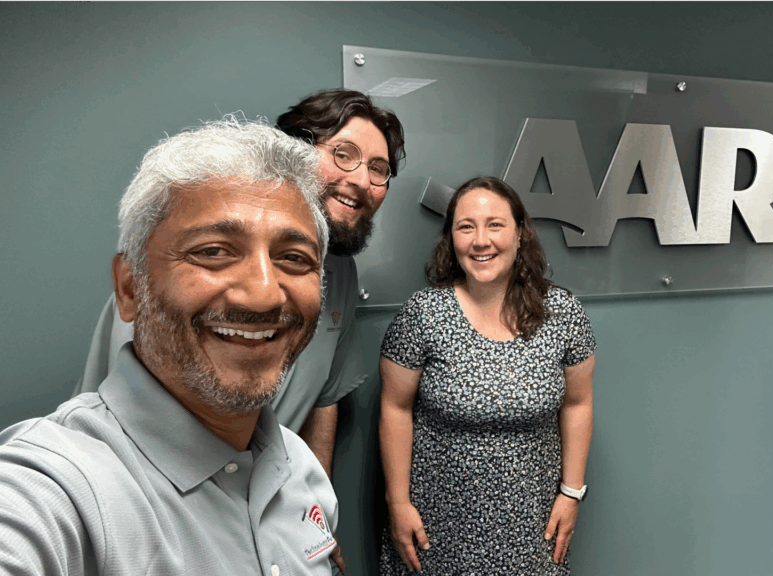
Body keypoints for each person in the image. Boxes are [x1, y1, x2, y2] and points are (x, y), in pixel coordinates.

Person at [0, 118, 346, 574]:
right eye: (213, 251)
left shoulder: (302, 474)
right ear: (129, 289)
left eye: (293, 259)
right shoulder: (53, 489)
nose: (264, 294)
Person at [73, 89, 406, 477]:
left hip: (268, 501)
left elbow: (324, 399)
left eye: (379, 168)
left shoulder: (343, 274)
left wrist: (316, 516)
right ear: (291, 154)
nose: (362, 180)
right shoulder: (172, 255)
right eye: (343, 154)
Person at [378, 176, 597, 575]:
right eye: (466, 226)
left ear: (519, 234)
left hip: (532, 527)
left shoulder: (562, 313)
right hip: (434, 527)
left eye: (495, 224)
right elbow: (394, 408)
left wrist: (572, 493)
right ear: (452, 239)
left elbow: (578, 402)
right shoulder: (422, 315)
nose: (481, 240)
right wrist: (397, 503)